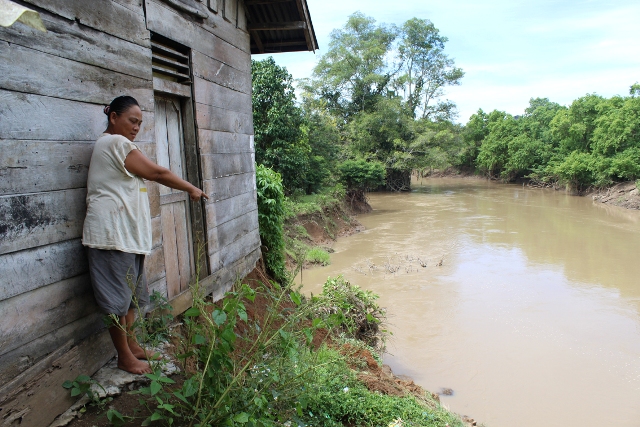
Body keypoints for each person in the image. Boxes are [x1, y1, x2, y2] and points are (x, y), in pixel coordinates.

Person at [82, 96, 208, 374]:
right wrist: (191, 188)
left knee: (129, 299)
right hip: (112, 236)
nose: (137, 127)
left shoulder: (116, 147)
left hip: (125, 237)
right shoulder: (115, 143)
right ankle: (124, 357)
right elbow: (157, 172)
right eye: (132, 120)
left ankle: (134, 346)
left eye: (140, 122)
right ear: (113, 117)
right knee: (117, 302)